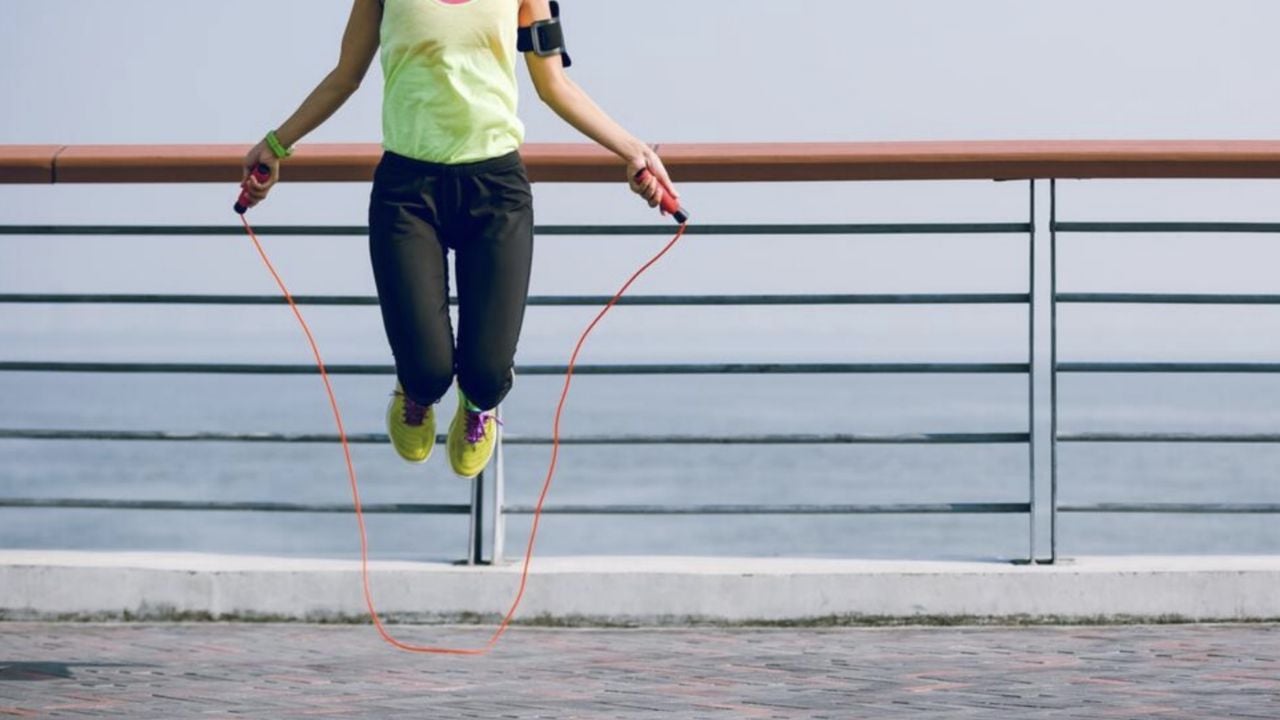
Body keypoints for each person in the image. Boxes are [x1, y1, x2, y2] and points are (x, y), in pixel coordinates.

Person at [239, 0, 678, 478]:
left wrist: (633, 151)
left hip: (497, 194)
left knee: (486, 376)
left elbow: (554, 86)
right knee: (426, 371)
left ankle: (478, 406)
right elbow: (346, 75)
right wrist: (277, 144)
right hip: (406, 194)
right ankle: (417, 394)